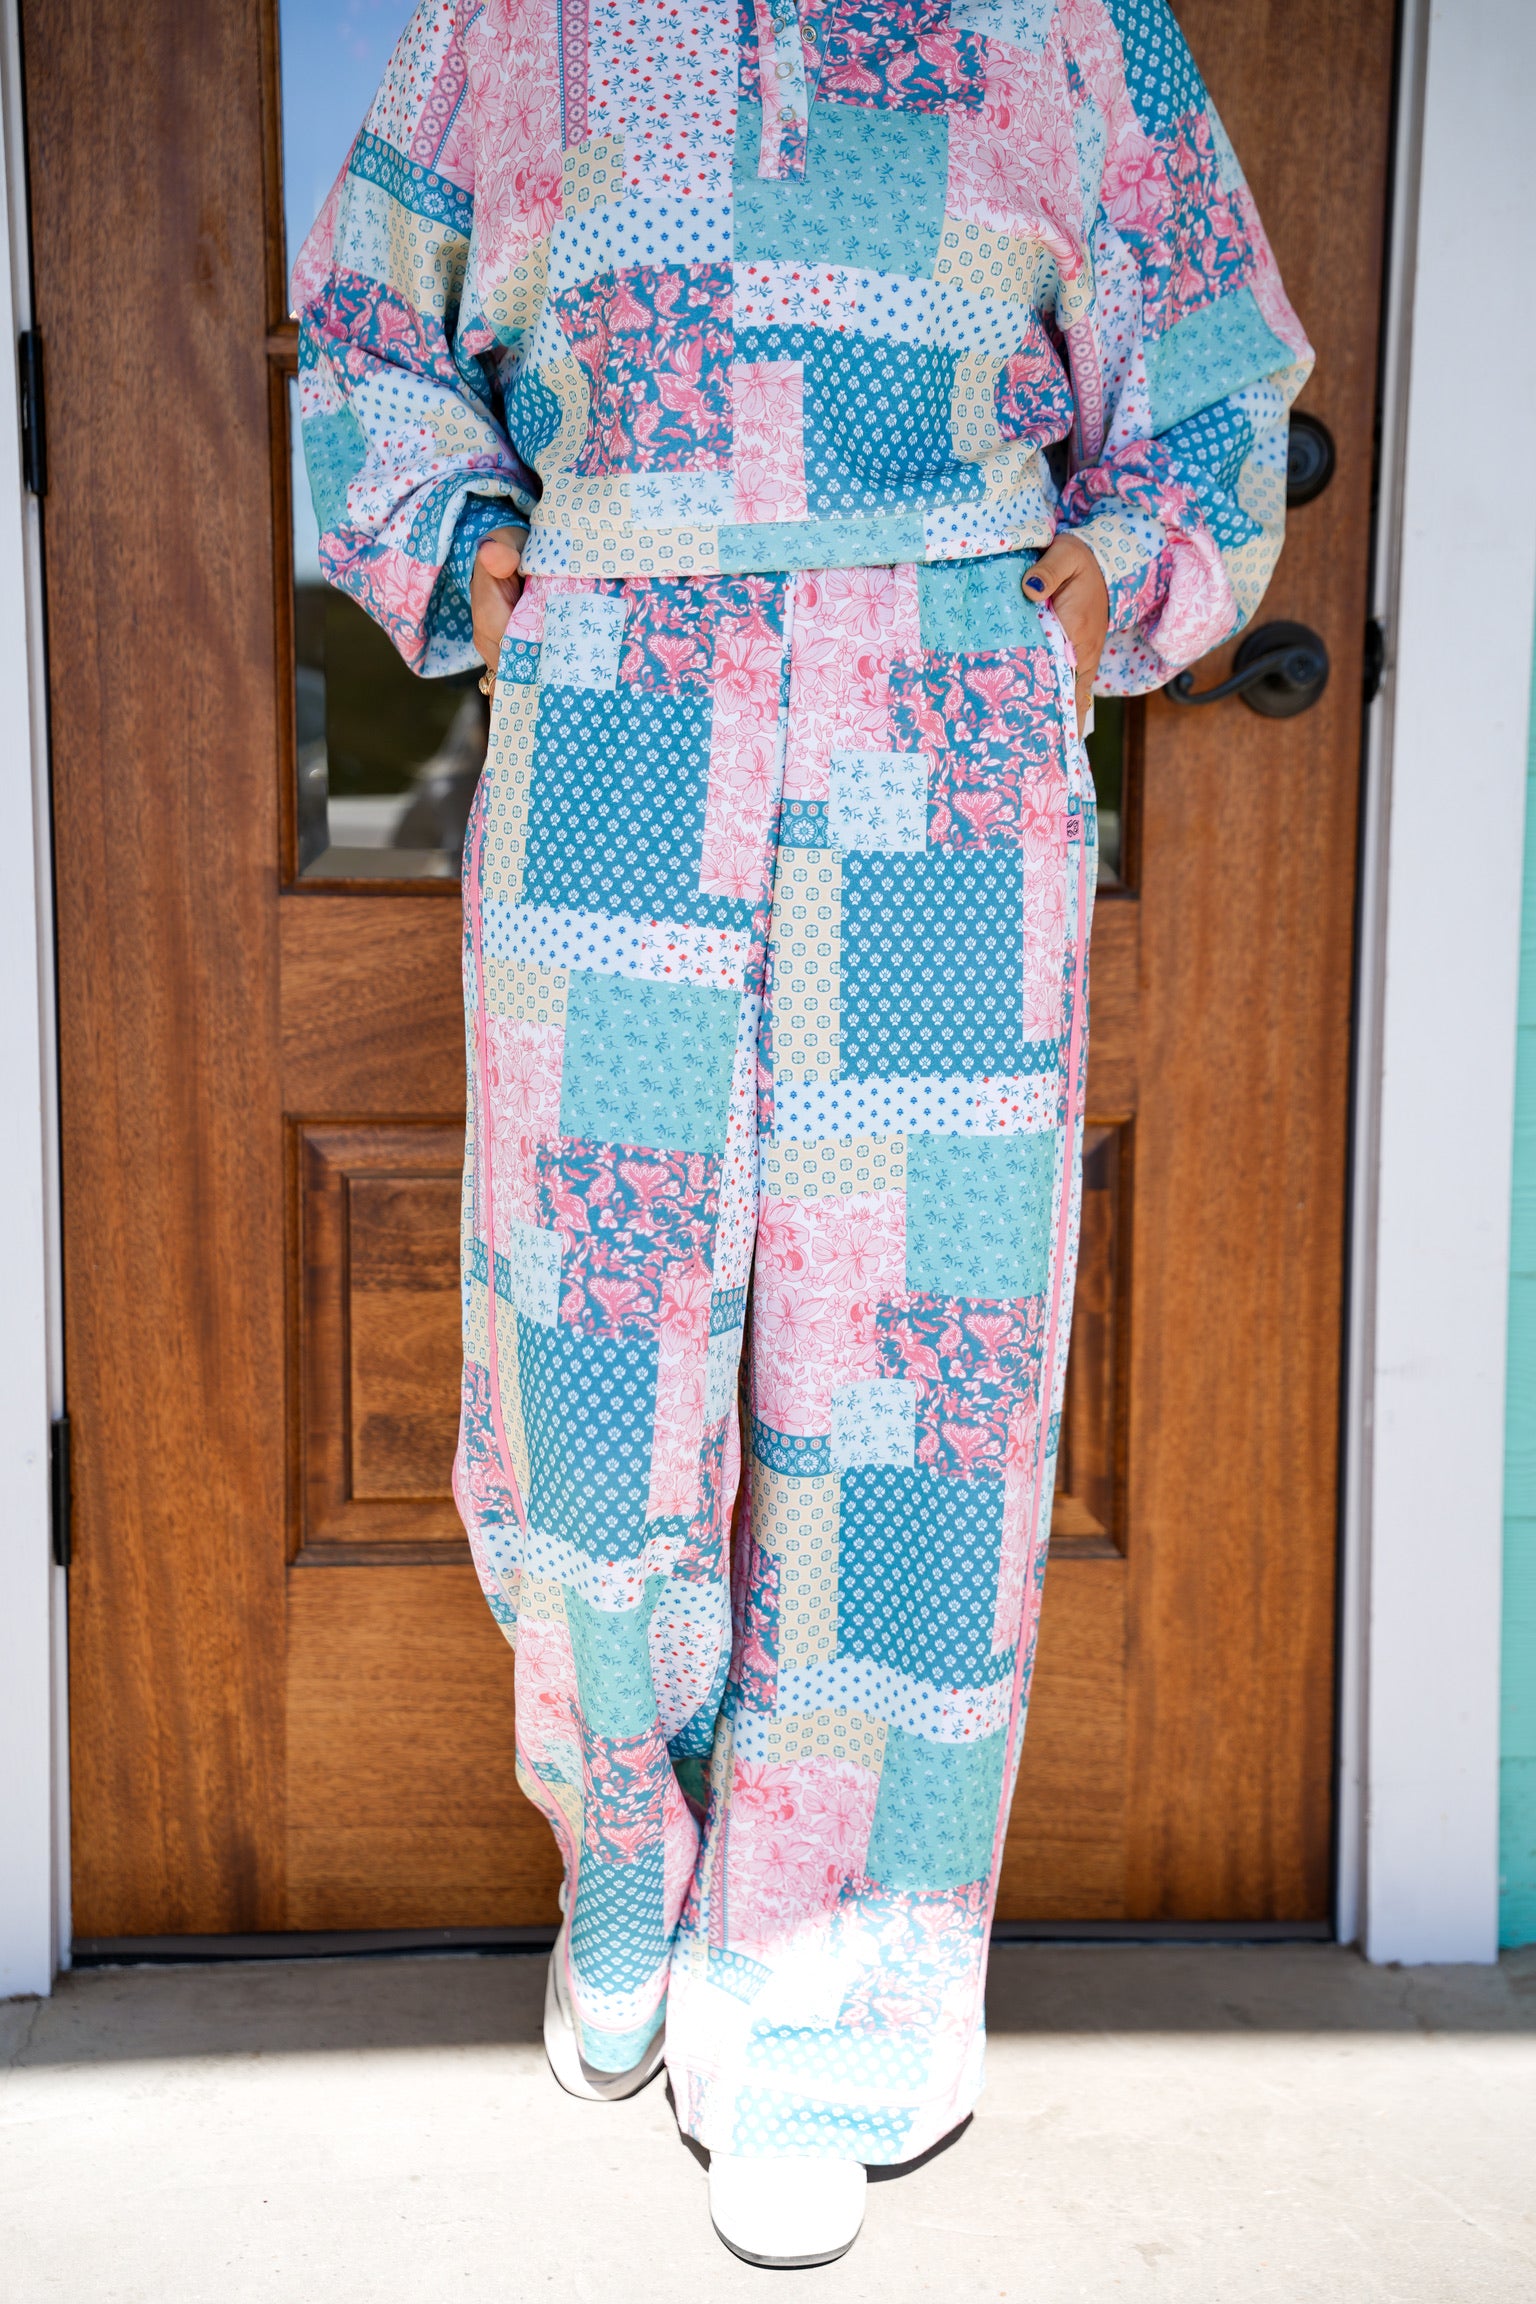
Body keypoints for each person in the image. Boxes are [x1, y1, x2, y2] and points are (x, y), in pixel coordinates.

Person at [294, 0, 1307, 2266]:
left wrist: (1117, 573)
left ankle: (832, 1989)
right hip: (615, 704)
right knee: (591, 1352)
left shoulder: (1068, 25)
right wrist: (467, 553)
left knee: (919, 1375)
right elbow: (370, 327)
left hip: (937, 706)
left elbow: (1214, 356)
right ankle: (630, 1853)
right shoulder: (510, 20)